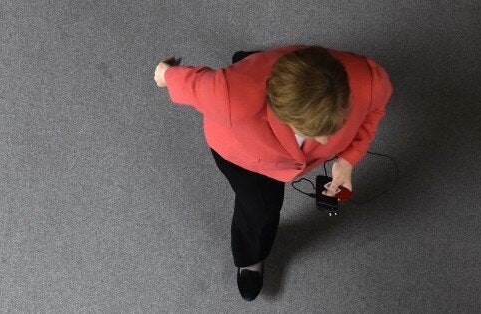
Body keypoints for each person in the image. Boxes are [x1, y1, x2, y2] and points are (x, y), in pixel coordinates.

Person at [153, 44, 393, 301]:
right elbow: (188, 82)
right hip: (244, 155)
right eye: (313, 131)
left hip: (274, 74)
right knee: (260, 210)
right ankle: (251, 257)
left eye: (337, 123)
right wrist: (165, 73)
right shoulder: (228, 94)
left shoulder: (369, 80)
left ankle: (251, 62)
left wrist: (347, 159)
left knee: (259, 66)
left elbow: (375, 109)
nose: (326, 143)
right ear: (282, 113)